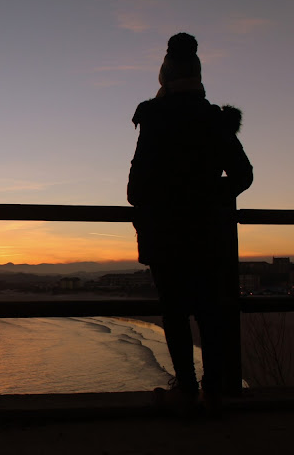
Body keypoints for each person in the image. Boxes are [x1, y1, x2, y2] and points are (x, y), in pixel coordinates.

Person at [127, 33, 253, 414]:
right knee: (210, 313)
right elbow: (243, 175)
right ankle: (212, 391)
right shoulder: (214, 121)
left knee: (175, 313)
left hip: (165, 234)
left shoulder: (154, 119)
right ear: (197, 77)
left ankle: (186, 391)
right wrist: (210, 196)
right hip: (208, 234)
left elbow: (135, 188)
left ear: (164, 77)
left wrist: (162, 200)